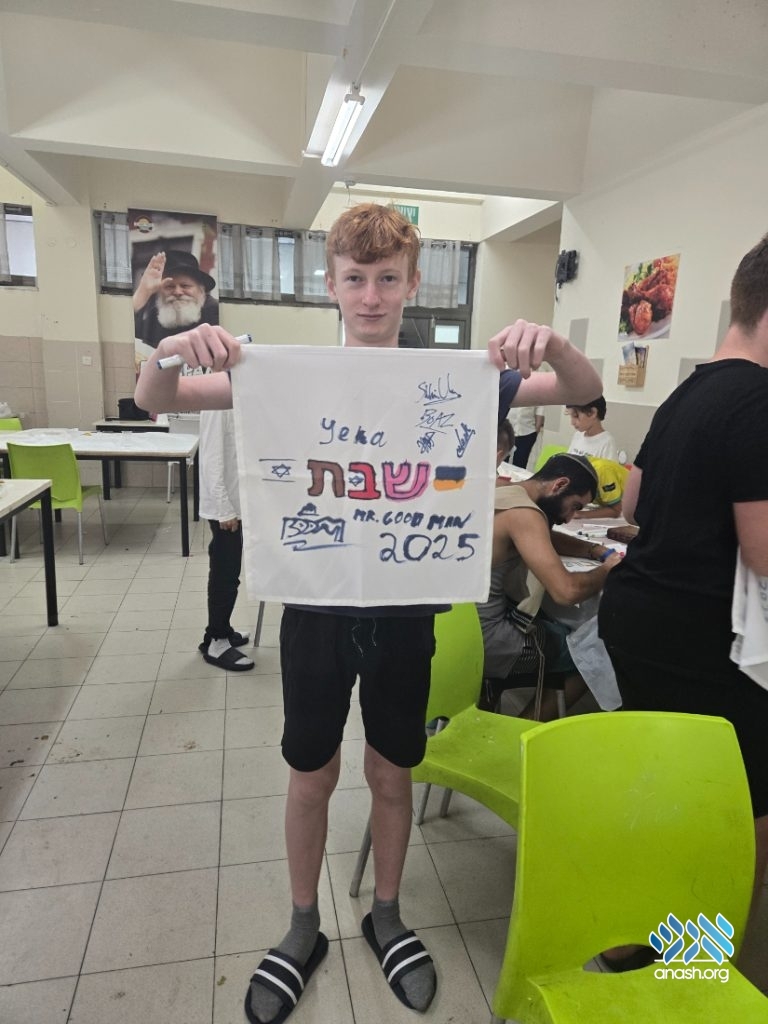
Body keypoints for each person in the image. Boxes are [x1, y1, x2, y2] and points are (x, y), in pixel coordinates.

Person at [134, 203, 603, 1022]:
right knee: (310, 772)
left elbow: (583, 389)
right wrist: (174, 347)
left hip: (405, 612)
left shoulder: (452, 379)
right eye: (357, 279)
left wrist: (553, 343)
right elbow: (153, 396)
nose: (373, 296)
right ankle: (302, 924)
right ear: (332, 285)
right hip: (315, 610)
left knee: (392, 772)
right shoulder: (283, 374)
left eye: (389, 279)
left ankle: (387, 914)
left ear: (413, 283)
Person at [598, 233, 768, 946]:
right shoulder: (758, 401)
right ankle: (701, 966)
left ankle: (644, 933)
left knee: (671, 792)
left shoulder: (687, 392)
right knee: (742, 813)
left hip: (639, 619)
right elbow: (763, 555)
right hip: (704, 640)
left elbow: (631, 502)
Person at [478, 453, 621, 719]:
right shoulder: (525, 515)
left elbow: (544, 536)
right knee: (595, 652)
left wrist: (593, 549)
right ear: (559, 485)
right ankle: (523, 730)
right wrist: (607, 570)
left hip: (458, 629)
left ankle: (489, 707)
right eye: (575, 506)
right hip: (491, 641)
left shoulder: (503, 492)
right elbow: (567, 592)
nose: (570, 518)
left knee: (555, 626)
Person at [197, 408, 254, 671]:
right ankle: (216, 641)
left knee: (229, 571)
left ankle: (222, 629)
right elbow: (210, 458)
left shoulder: (235, 398)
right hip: (225, 508)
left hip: (235, 503)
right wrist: (224, 509)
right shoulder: (216, 404)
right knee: (225, 573)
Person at [133, 249, 219, 349]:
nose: (178, 292)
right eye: (169, 286)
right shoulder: (153, 317)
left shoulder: (216, 312)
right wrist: (143, 292)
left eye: (185, 286)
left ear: (200, 290)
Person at [570, 456, 629, 520]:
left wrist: (580, 514)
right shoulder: (578, 469)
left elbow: (616, 511)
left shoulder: (602, 471)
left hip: (632, 507)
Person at [566, 395, 617, 461]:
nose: (572, 422)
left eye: (575, 416)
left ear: (592, 413)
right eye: (571, 416)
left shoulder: (607, 443)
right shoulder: (577, 435)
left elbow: (610, 467)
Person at [507, 404, 544, 468]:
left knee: (520, 464)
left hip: (527, 432)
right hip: (506, 430)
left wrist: (536, 430)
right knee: (501, 462)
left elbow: (540, 408)